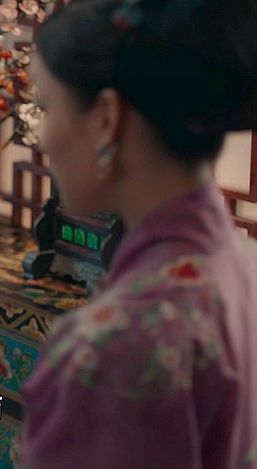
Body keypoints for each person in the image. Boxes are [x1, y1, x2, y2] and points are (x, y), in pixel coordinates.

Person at [20, 0, 257, 467]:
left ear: (107, 117)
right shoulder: (242, 265)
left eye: (48, 107)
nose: (43, 139)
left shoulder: (113, 345)